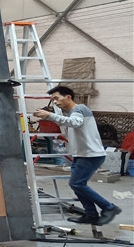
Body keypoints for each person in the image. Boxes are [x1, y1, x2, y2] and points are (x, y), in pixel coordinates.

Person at [34, 85, 121, 226]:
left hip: (91, 155)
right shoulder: (72, 112)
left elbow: (75, 122)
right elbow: (68, 122)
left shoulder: (80, 109)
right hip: (82, 155)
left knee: (77, 183)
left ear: (68, 97)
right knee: (77, 185)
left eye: (56, 98)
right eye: (53, 99)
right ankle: (91, 215)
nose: (55, 102)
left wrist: (49, 115)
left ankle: (109, 208)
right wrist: (50, 117)